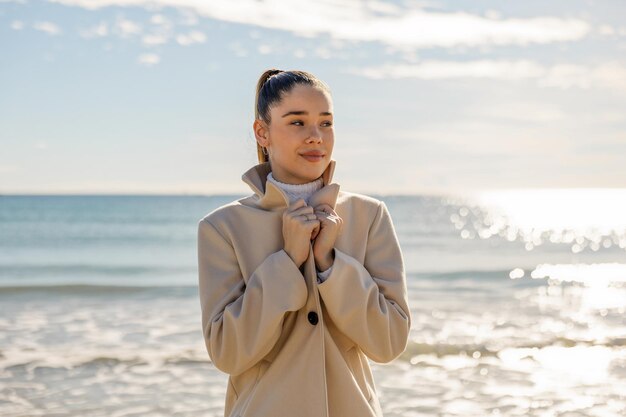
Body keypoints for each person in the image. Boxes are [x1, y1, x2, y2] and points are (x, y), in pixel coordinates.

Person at [197, 69, 411, 417]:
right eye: (297, 122)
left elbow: (388, 343)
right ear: (262, 132)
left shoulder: (369, 216)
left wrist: (330, 264)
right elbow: (227, 353)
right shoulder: (222, 227)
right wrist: (286, 261)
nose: (316, 137)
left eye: (326, 123)